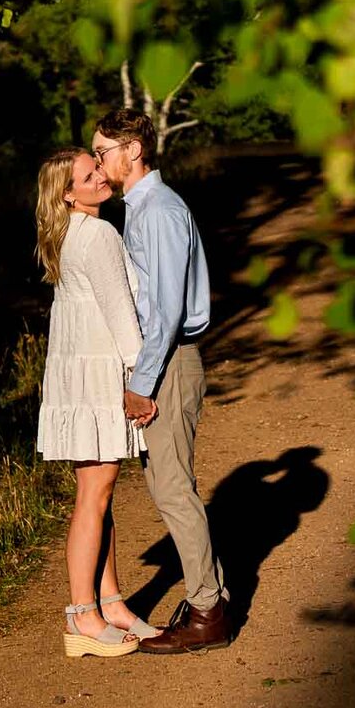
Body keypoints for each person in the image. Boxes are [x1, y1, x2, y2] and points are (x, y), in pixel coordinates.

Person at [92, 106, 229, 654]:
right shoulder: (142, 209)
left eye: (104, 152)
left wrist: (142, 381)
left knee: (172, 487)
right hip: (164, 360)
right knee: (164, 484)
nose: (100, 164)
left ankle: (207, 612)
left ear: (134, 150)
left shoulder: (159, 212)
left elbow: (168, 309)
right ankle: (210, 596)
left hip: (170, 360)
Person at [32, 149, 164, 658]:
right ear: (68, 193)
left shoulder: (69, 231)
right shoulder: (99, 234)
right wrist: (141, 379)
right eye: (88, 178)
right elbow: (119, 311)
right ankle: (82, 615)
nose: (99, 180)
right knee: (95, 492)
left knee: (98, 490)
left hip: (77, 368)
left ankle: (111, 603)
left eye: (96, 170)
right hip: (95, 371)